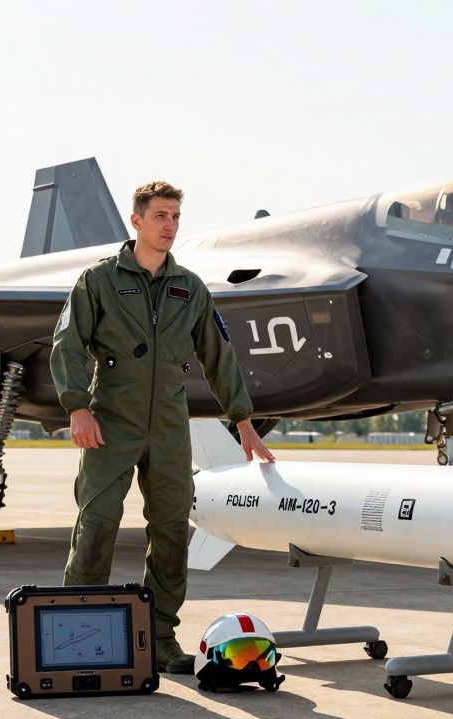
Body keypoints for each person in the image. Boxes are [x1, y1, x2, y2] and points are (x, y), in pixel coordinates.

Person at [49, 180, 275, 674]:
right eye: (160, 216)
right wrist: (76, 406)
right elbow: (67, 343)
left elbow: (219, 357)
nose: (169, 225)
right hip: (112, 419)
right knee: (97, 525)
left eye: (175, 217)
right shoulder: (99, 280)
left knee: (172, 531)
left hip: (170, 424)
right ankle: (73, 633)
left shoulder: (189, 287)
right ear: (137, 221)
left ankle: (161, 635)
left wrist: (243, 420)